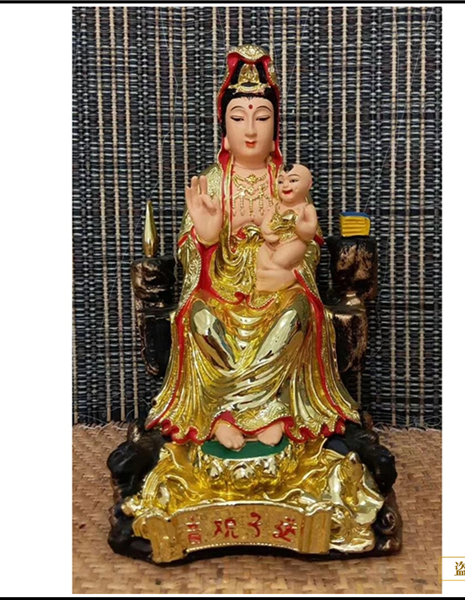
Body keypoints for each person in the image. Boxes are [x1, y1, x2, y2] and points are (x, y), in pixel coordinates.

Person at [145, 44, 361, 451]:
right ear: (224, 133)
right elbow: (189, 251)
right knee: (199, 320)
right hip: (222, 291)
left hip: (276, 293)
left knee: (297, 316)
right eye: (238, 118)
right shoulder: (212, 182)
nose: (250, 130)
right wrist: (206, 239)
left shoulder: (287, 180)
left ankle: (254, 411)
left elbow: (311, 245)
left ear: (274, 129)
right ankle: (228, 413)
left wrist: (291, 254)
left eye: (261, 118)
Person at [257, 163, 318, 292]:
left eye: (293, 180)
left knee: (279, 261)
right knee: (261, 259)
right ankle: (268, 278)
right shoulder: (277, 206)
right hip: (272, 242)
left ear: (309, 185)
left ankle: (289, 278)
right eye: (280, 181)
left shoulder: (306, 208)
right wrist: (267, 233)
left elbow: (310, 233)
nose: (285, 185)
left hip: (294, 242)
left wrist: (300, 225)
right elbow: (265, 224)